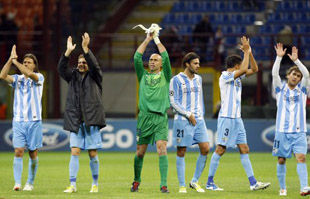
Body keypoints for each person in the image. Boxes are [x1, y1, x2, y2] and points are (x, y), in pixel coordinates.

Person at [206, 36, 270, 191]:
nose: (243, 66)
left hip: (237, 119)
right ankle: (209, 182)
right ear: (235, 66)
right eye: (240, 64)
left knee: (244, 148)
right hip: (227, 118)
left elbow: (254, 69)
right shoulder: (225, 76)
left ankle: (253, 183)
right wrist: (246, 52)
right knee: (221, 149)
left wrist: (250, 53)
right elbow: (243, 69)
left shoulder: (238, 75)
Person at [58, 33, 106, 193]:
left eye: (84, 62)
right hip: (76, 121)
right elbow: (60, 69)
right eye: (79, 62)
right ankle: (72, 184)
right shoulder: (72, 76)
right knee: (75, 151)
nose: (81, 64)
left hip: (91, 120)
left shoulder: (95, 76)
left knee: (92, 154)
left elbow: (96, 66)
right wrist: (67, 52)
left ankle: (95, 184)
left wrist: (86, 49)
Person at [130, 24, 172, 193]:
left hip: (160, 117)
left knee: (162, 147)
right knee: (140, 153)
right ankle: (136, 181)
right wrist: (147, 38)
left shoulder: (165, 75)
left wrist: (157, 39)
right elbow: (136, 58)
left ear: (161, 64)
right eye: (151, 60)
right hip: (145, 117)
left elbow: (167, 57)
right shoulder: (143, 75)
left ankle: (163, 185)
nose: (152, 62)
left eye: (156, 60)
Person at [0, 45, 44, 191]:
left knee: (32, 153)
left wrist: (16, 62)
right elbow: (2, 76)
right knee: (18, 151)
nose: (25, 64)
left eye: (28, 62)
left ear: (35, 65)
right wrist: (10, 60)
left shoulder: (39, 78)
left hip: (34, 121)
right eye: (24, 62)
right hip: (18, 121)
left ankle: (30, 182)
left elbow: (29, 74)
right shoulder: (17, 79)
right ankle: (17, 183)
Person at [272, 43, 310, 196]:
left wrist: (297, 61)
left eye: (298, 76)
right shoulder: (279, 90)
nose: (296, 77)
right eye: (293, 74)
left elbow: (307, 75)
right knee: (281, 160)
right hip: (282, 131)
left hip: (299, 132)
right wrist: (278, 58)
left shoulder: (302, 91)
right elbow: (275, 74)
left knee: (301, 158)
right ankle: (282, 187)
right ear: (288, 76)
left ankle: (305, 187)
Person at [169, 52, 209, 193]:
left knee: (205, 148)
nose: (198, 66)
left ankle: (194, 181)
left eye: (198, 63)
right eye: (195, 63)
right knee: (181, 151)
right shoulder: (176, 80)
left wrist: (201, 115)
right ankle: (182, 185)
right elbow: (173, 102)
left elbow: (200, 99)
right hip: (183, 120)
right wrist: (188, 114)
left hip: (199, 120)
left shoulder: (199, 79)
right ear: (187, 64)